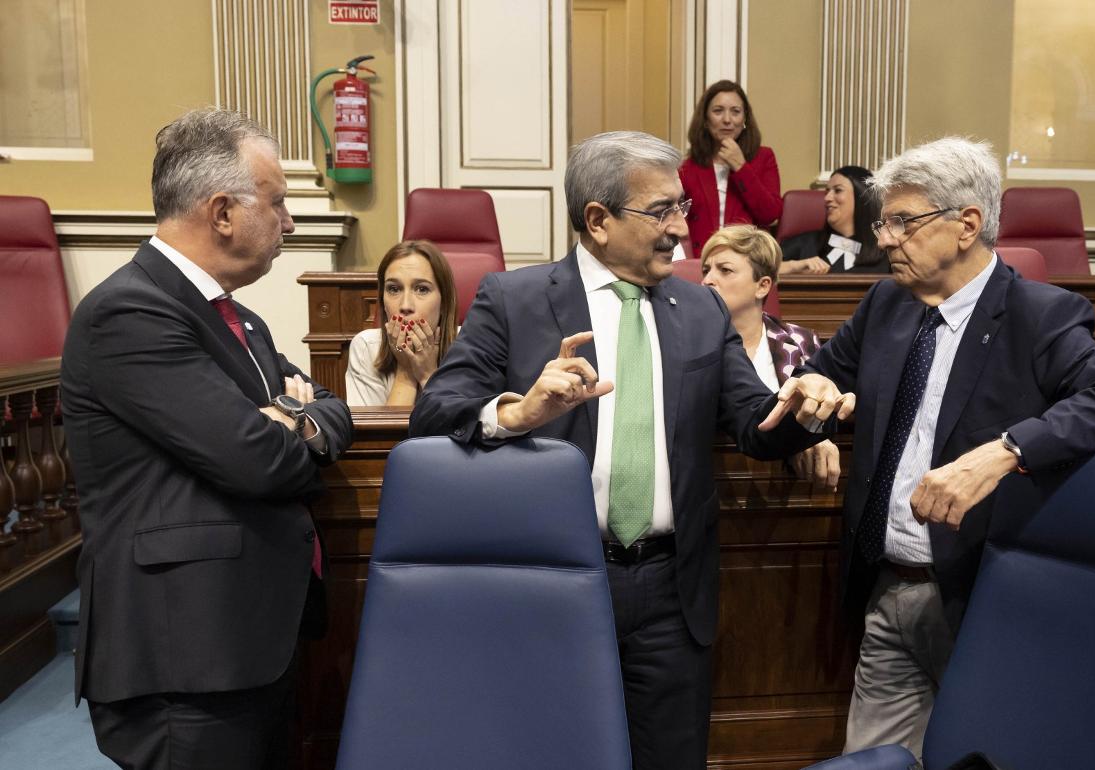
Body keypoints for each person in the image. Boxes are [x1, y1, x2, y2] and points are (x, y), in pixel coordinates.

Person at [409, 130, 845, 770]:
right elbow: (433, 413)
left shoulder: (701, 309)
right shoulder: (516, 299)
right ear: (598, 220)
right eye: (662, 211)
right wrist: (519, 411)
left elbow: (754, 423)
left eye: (682, 208)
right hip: (556, 583)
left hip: (673, 589)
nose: (681, 227)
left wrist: (803, 408)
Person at [793, 136, 1095, 759]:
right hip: (885, 589)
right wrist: (815, 402)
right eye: (885, 222)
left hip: (983, 597)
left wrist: (1004, 451)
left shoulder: (1037, 314)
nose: (886, 239)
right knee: (872, 762)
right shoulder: (885, 302)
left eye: (903, 222)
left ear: (967, 225)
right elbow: (821, 377)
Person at [60, 108, 353, 769]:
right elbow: (258, 461)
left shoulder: (240, 321)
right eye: (277, 203)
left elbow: (331, 407)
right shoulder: (129, 313)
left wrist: (294, 419)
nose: (291, 223)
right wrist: (282, 427)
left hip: (249, 638)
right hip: (185, 656)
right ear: (222, 211)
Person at [700, 224, 839, 487]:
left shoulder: (801, 342)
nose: (707, 280)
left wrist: (813, 436)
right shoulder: (693, 344)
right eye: (706, 270)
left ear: (763, 286)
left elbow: (819, 406)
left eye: (724, 270)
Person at [345, 239, 458, 406]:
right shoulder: (366, 347)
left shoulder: (471, 346)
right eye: (394, 289)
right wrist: (406, 370)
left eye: (422, 289)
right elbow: (376, 433)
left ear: (444, 302)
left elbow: (461, 429)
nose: (405, 306)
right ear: (382, 301)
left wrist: (428, 375)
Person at [679, 80, 782, 259]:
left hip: (749, 260)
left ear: (744, 119)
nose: (727, 120)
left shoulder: (764, 157)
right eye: (718, 111)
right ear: (705, 119)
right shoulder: (688, 167)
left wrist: (740, 167)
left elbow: (770, 215)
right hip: (701, 261)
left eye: (735, 112)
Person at [779, 165, 888, 275]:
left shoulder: (887, 249)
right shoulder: (805, 243)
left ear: (862, 197)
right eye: (827, 192)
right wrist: (793, 267)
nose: (827, 198)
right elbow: (763, 267)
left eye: (838, 190)